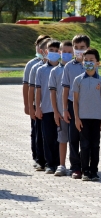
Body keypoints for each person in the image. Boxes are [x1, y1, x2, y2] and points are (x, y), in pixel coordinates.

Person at [73, 49, 101, 181]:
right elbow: (75, 101)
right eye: (86, 60)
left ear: (97, 63)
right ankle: (85, 170)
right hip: (83, 118)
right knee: (85, 144)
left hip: (97, 118)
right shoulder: (78, 80)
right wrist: (76, 118)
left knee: (95, 145)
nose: (88, 63)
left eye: (91, 61)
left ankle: (94, 170)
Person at [62, 35, 90, 179]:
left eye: (82, 48)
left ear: (88, 48)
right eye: (77, 48)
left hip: (89, 105)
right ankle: (75, 167)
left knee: (87, 137)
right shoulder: (68, 67)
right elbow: (65, 90)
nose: (79, 51)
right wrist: (65, 109)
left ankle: (86, 166)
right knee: (74, 137)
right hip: (73, 104)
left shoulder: (91, 64)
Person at [23, 34, 50, 167]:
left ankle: (49, 158)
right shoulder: (33, 65)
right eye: (39, 45)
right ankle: (38, 157)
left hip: (50, 105)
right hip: (36, 103)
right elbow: (27, 86)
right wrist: (28, 105)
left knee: (48, 132)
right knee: (37, 131)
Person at [35, 39, 61, 174]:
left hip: (61, 110)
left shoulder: (63, 69)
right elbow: (38, 90)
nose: (54, 53)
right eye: (51, 50)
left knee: (60, 138)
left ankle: (60, 163)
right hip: (46, 108)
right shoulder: (41, 70)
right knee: (48, 137)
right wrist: (38, 107)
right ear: (46, 52)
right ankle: (50, 164)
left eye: (57, 51)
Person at [49, 40, 73, 176]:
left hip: (76, 110)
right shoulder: (55, 71)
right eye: (64, 52)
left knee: (76, 139)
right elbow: (53, 92)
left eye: (70, 52)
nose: (67, 54)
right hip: (61, 110)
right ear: (60, 52)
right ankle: (62, 164)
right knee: (62, 138)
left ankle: (76, 164)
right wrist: (56, 111)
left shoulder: (78, 68)